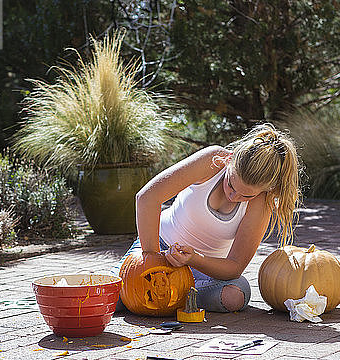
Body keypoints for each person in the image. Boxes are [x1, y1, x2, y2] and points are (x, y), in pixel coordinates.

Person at [110, 123, 301, 313]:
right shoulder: (213, 160)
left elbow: (234, 267)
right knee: (110, 298)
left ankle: (174, 294)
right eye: (231, 185)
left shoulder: (262, 203)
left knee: (235, 296)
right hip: (157, 247)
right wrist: (153, 260)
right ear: (230, 160)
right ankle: (177, 297)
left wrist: (192, 259)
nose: (234, 197)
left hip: (204, 269)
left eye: (246, 196)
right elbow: (147, 198)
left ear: (265, 190)